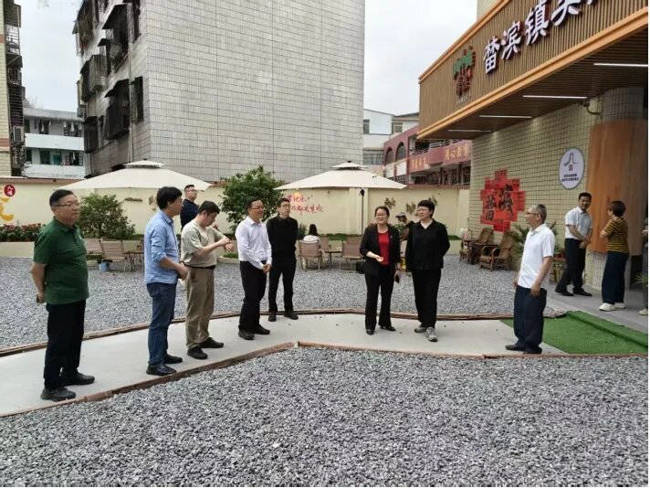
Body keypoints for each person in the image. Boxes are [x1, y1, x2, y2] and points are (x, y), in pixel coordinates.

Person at [31, 190, 94, 402]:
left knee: (75, 336)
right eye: (69, 204)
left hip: (78, 295)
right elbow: (37, 269)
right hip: (60, 297)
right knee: (58, 341)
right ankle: (51, 386)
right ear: (55, 209)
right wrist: (42, 291)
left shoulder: (74, 229)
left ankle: (70, 372)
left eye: (77, 203)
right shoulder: (50, 234)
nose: (75, 207)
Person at [181, 201, 233, 360]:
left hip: (209, 270)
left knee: (207, 307)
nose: (213, 220)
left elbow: (223, 238)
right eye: (212, 217)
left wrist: (226, 243)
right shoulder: (190, 229)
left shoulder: (208, 228)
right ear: (204, 213)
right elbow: (199, 253)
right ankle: (192, 344)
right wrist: (219, 244)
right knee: (195, 309)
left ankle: (202, 337)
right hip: (196, 271)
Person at [144, 186, 188, 376]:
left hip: (166, 279)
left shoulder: (166, 222)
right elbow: (158, 257)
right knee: (159, 322)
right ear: (169, 203)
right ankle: (154, 363)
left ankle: (161, 354)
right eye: (179, 201)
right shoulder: (159, 225)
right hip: (160, 280)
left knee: (165, 319)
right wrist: (179, 268)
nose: (182, 204)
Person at [506, 204, 555, 355]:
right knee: (520, 312)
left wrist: (538, 282)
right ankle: (521, 341)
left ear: (538, 216)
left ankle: (532, 347)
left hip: (535, 283)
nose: (525, 215)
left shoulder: (546, 235)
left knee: (532, 315)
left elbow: (547, 259)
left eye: (528, 213)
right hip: (523, 281)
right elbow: (526, 257)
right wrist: (519, 274)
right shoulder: (530, 233)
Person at [405, 199, 450, 342]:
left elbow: (445, 245)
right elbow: (409, 248)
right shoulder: (414, 228)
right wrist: (408, 266)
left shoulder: (439, 228)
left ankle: (431, 326)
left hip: (433, 268)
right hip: (417, 268)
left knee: (430, 296)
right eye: (419, 210)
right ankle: (423, 322)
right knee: (419, 296)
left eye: (423, 209)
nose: (420, 212)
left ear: (430, 211)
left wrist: (435, 257)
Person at [360, 206, 401, 335]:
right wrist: (374, 256)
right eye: (378, 214)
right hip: (373, 269)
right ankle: (370, 325)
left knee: (387, 297)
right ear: (375, 216)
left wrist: (398, 268)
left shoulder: (394, 231)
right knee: (372, 297)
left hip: (388, 269)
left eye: (383, 214)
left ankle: (385, 322)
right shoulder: (370, 230)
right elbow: (362, 249)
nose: (380, 217)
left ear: (387, 216)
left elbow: (396, 251)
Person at [236, 199, 272, 340]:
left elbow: (267, 245)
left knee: (259, 295)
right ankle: (244, 327)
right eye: (258, 207)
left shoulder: (262, 226)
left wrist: (268, 261)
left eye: (262, 207)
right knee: (251, 296)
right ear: (249, 209)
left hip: (263, 264)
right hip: (249, 265)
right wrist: (260, 265)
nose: (261, 209)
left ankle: (255, 324)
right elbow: (245, 249)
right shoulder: (243, 227)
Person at [266, 197, 299, 322]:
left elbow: (292, 239)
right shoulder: (271, 223)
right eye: (284, 206)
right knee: (273, 285)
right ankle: (272, 310)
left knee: (288, 285)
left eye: (288, 206)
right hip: (275, 258)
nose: (287, 208)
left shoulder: (293, 222)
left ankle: (288, 309)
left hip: (289, 258)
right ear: (278, 208)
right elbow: (270, 240)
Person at [556, 192, 593, 297]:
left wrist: (585, 242)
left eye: (587, 201)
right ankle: (561, 287)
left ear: (590, 202)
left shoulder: (589, 216)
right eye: (583, 200)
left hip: (583, 242)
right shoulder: (571, 213)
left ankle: (577, 288)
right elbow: (572, 230)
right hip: (571, 241)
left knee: (581, 266)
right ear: (579, 201)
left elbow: (591, 230)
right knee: (571, 266)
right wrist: (585, 240)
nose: (585, 203)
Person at [598, 201, 629, 312]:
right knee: (619, 277)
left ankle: (608, 302)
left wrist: (608, 224)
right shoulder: (623, 221)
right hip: (623, 252)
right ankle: (619, 301)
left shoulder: (614, 221)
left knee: (609, 277)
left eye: (609, 209)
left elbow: (602, 234)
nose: (608, 211)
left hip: (615, 252)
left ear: (611, 211)